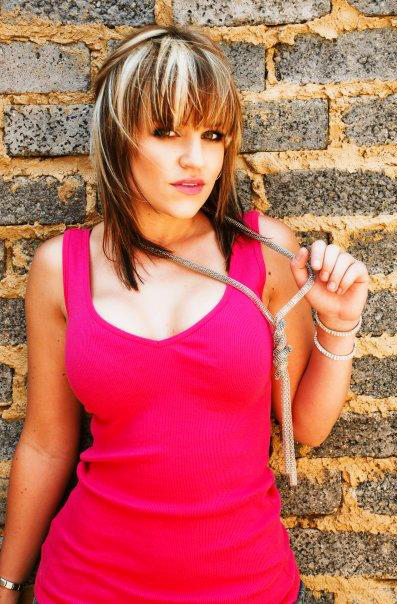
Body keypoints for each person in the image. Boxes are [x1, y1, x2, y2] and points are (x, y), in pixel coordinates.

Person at [0, 23, 369, 604]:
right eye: (166, 131)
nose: (195, 159)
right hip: (86, 584)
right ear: (119, 138)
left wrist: (340, 324)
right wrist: (6, 583)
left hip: (246, 586)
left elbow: (306, 427)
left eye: (213, 134)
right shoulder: (60, 267)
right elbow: (47, 444)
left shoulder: (266, 252)